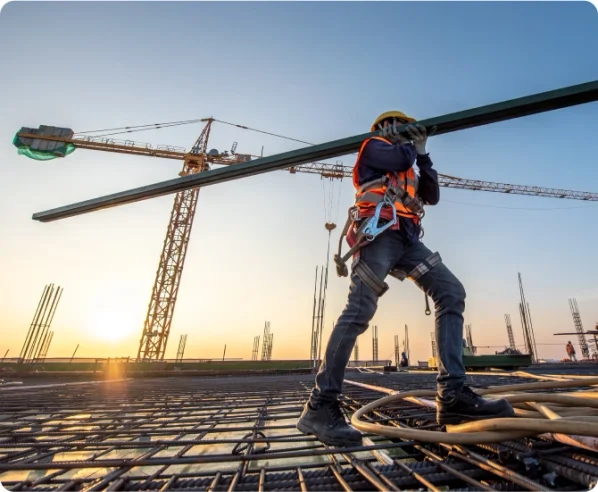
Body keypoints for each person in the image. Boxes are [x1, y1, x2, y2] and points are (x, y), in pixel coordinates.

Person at [296, 111, 514, 447]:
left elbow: (432, 195)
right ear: (384, 127)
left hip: (407, 239)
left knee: (450, 292)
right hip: (379, 234)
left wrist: (424, 154)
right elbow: (398, 155)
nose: (402, 131)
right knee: (358, 313)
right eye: (396, 124)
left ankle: (453, 396)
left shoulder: (410, 162)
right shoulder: (373, 147)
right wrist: (411, 145)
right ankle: (320, 406)